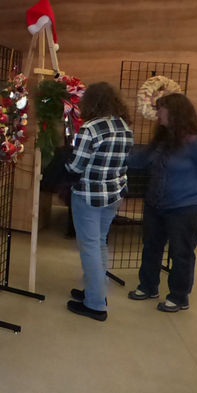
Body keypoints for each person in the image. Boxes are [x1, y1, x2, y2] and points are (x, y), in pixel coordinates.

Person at [128, 93, 197, 312]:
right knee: (151, 246)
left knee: (181, 253)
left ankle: (179, 297)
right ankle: (148, 286)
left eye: (161, 109)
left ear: (174, 113)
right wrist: (115, 153)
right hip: (157, 204)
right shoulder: (163, 139)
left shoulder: (195, 141)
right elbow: (141, 160)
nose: (157, 114)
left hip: (187, 208)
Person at [65, 82, 134, 321]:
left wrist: (61, 164)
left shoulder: (90, 128)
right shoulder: (124, 127)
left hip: (88, 196)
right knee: (100, 244)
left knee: (90, 247)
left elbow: (76, 166)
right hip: (113, 195)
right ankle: (95, 292)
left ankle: (95, 304)